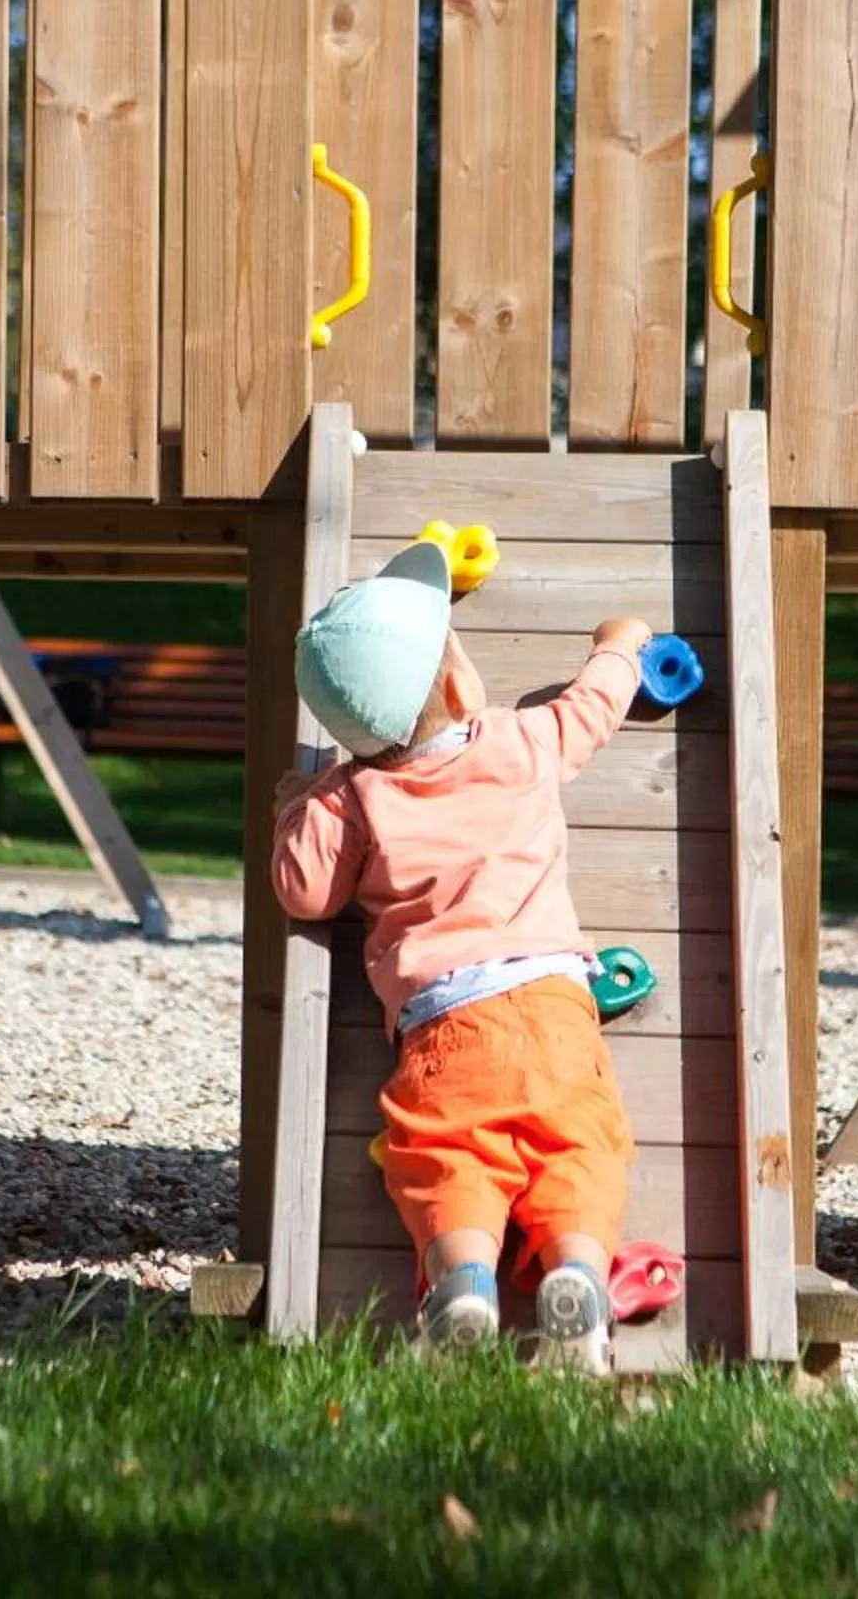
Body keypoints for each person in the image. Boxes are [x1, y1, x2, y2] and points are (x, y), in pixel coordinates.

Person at [270, 538, 647, 1372]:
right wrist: (619, 645)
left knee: (449, 1158)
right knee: (581, 1145)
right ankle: (579, 1283)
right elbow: (594, 708)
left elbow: (304, 894)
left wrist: (297, 806)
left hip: (445, 1026)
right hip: (555, 1009)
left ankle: (463, 1284)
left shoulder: (354, 794)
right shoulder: (521, 741)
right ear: (458, 684)